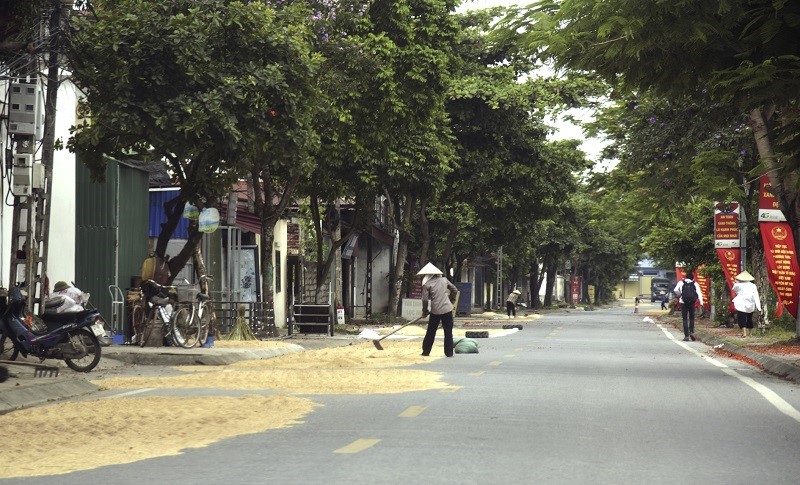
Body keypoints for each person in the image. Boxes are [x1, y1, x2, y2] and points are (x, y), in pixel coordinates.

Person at [418, 262, 459, 357]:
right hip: (447, 309)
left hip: (435, 311)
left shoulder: (427, 284)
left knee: (431, 331)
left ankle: (426, 352)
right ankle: (449, 353)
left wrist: (425, 311)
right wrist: (451, 299)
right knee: (448, 332)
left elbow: (424, 300)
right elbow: (455, 290)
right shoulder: (444, 280)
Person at [673, 273, 703, 341]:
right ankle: (691, 332)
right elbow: (699, 293)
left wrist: (681, 294)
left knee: (685, 319)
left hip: (683, 302)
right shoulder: (695, 284)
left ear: (686, 277)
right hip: (692, 303)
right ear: (693, 278)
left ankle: (686, 336)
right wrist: (701, 302)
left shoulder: (681, 282)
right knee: (692, 318)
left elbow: (675, 290)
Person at [732, 271, 761, 338]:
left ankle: (744, 333)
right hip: (750, 302)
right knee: (749, 317)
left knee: (741, 317)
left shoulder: (738, 285)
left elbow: (734, 290)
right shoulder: (753, 285)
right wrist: (758, 306)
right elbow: (756, 295)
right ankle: (750, 333)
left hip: (741, 302)